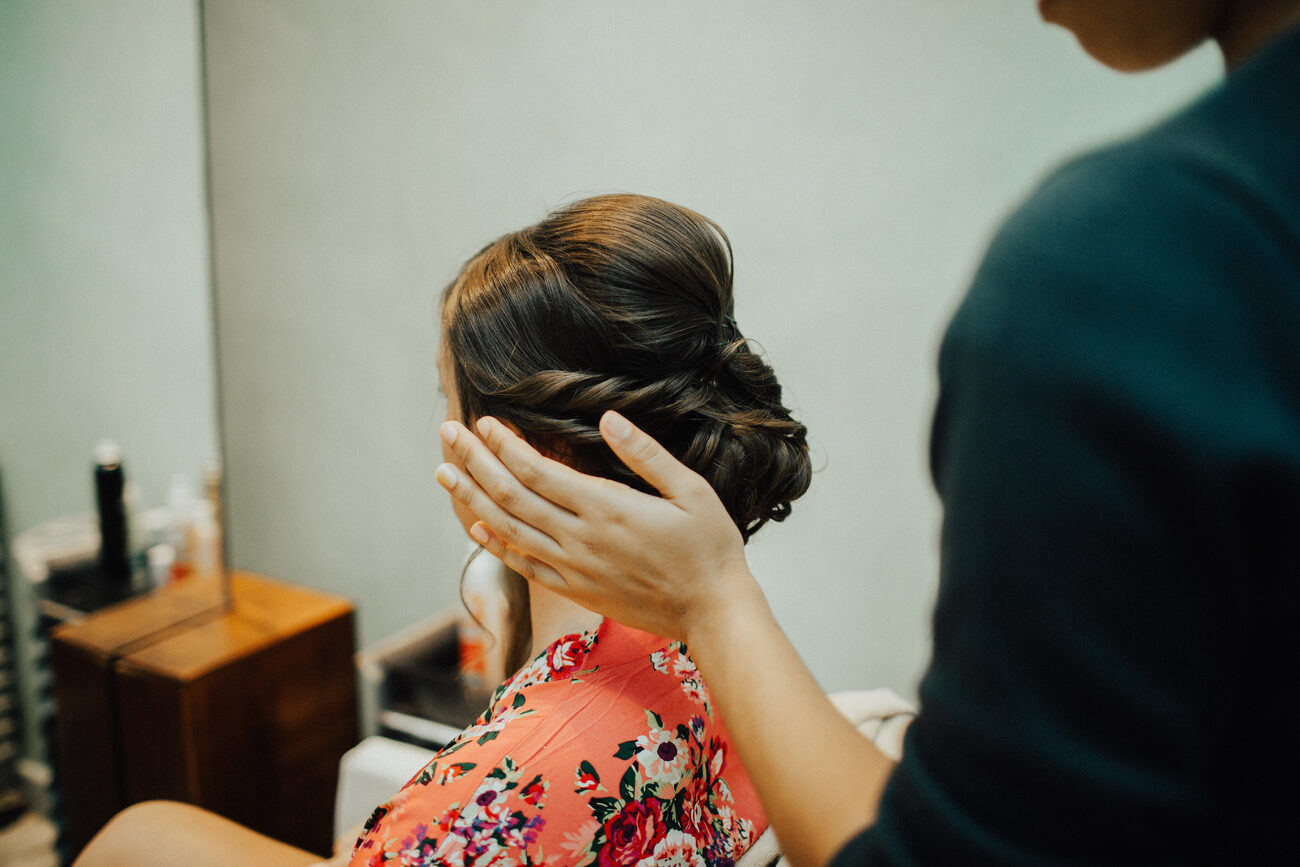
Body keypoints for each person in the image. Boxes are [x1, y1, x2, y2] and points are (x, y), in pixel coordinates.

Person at [433, 2, 1300, 865]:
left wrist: (712, 596)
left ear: (526, 458)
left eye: (448, 402)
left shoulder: (1125, 274)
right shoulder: (706, 697)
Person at [350, 193, 812, 866]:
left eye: (448, 398)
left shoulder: (481, 811)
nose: (443, 431)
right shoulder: (722, 650)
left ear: (527, 451)